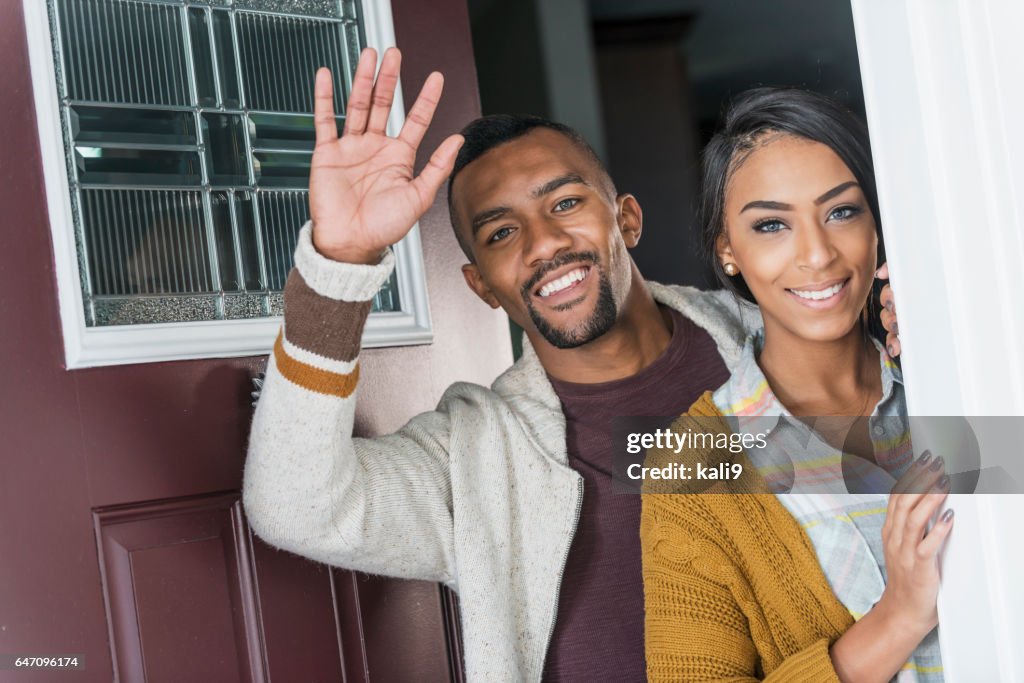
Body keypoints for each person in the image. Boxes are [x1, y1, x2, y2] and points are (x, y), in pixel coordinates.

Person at [242, 48, 898, 680]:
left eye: (564, 203)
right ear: (481, 286)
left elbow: (962, 460)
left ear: (628, 218)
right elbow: (296, 505)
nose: (546, 243)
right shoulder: (475, 458)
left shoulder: (774, 339)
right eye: (502, 233)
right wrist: (341, 261)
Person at [640, 88, 947, 682]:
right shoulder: (692, 467)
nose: (816, 254)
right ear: (726, 249)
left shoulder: (953, 381)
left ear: (879, 226)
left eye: (841, 211)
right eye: (772, 224)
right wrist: (899, 617)